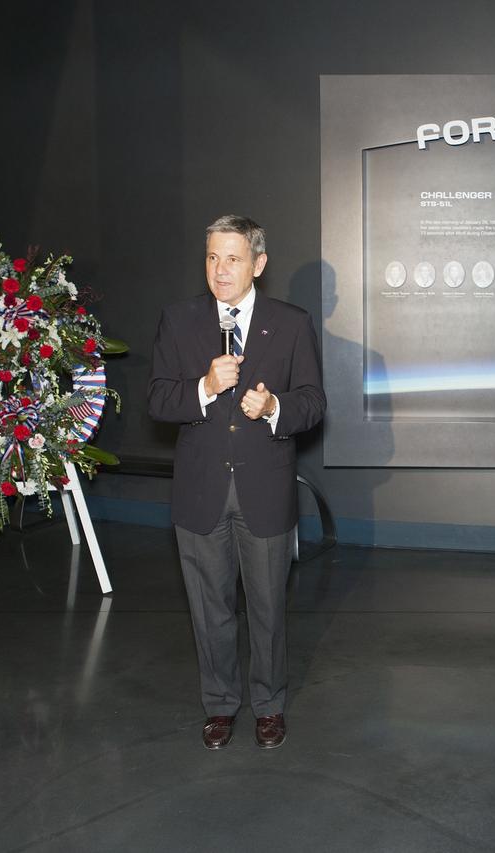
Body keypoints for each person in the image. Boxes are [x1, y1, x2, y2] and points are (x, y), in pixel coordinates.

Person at [149, 215, 326, 751]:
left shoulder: (291, 323)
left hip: (265, 492)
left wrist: (273, 407)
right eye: (212, 258)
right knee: (210, 610)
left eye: (232, 258)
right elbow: (158, 399)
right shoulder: (178, 320)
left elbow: (313, 402)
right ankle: (220, 705)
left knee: (269, 609)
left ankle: (269, 705)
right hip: (200, 491)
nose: (220, 270)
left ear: (259, 264)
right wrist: (203, 387)